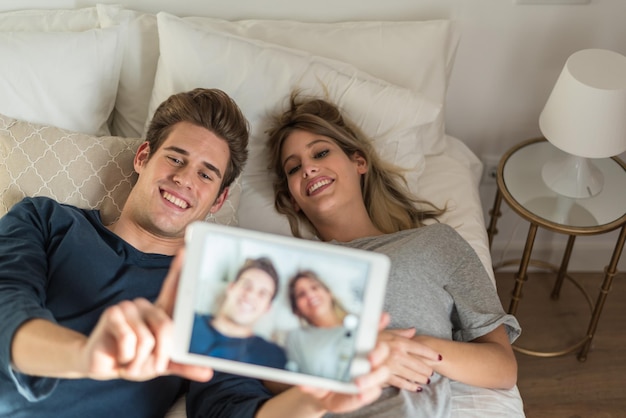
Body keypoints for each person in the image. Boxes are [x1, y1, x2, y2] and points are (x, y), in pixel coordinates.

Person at [0, 88, 389, 418]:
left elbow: (228, 404)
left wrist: (311, 400)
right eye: (175, 158)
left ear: (218, 200)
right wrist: (84, 356)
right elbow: (6, 305)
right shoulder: (46, 219)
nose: (185, 179)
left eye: (206, 174)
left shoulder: (209, 292)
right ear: (142, 157)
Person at [191, 93, 522, 417]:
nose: (308, 169)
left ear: (358, 161)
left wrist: (410, 349)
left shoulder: (436, 244)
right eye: (294, 169)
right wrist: (355, 354)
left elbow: (502, 367)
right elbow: (268, 375)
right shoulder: (287, 268)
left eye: (320, 153)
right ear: (293, 200)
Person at [189, 257, 286, 368]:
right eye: (246, 285)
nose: (250, 296)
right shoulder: (189, 323)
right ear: (230, 288)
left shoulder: (273, 356)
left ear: (267, 308)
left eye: (262, 293)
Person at [284, 270, 357, 381]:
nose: (310, 295)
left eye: (314, 287)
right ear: (296, 310)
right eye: (301, 294)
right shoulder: (296, 337)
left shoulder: (358, 321)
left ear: (329, 293)